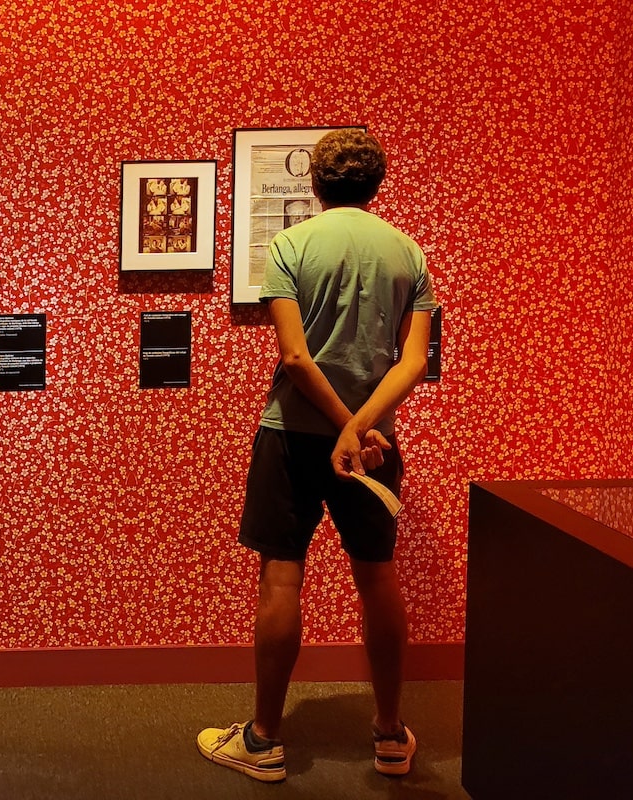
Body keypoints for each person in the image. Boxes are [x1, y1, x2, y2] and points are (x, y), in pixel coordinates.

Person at [197, 129, 436, 783]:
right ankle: (389, 736)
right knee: (378, 578)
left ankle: (263, 740)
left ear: (315, 184)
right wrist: (359, 427)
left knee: (280, 577)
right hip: (375, 442)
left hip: (292, 434)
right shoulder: (407, 252)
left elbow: (295, 358)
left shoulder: (289, 245)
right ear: (375, 184)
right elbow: (412, 361)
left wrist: (337, 427)